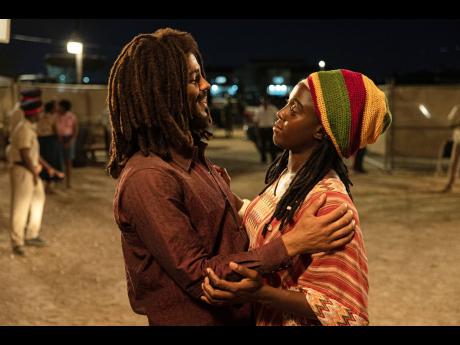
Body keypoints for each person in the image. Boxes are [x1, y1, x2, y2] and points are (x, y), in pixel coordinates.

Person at [107, 28, 355, 326]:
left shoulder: (194, 161)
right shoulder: (148, 177)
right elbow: (202, 277)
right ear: (162, 92)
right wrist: (292, 243)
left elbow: (240, 219)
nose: (206, 85)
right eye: (192, 79)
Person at [201, 69, 392, 326]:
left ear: (321, 131)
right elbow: (266, 225)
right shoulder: (287, 180)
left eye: (295, 109)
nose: (281, 114)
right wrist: (221, 191)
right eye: (286, 104)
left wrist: (262, 294)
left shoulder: (329, 204)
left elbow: (347, 313)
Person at [9, 98, 64, 256]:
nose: (41, 114)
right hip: (23, 171)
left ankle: (32, 235)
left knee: (38, 200)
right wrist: (34, 172)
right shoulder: (24, 129)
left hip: (30, 170)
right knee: (20, 207)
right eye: (39, 111)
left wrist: (48, 169)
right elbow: (25, 153)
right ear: (33, 113)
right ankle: (17, 242)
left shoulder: (29, 127)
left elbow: (34, 154)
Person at [37, 100, 64, 193]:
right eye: (55, 106)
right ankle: (49, 186)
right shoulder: (53, 117)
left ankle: (42, 184)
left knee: (42, 161)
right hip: (50, 141)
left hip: (40, 141)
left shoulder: (40, 116)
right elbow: (56, 130)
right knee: (52, 161)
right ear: (52, 108)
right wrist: (60, 140)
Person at [56, 99, 78, 188]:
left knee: (68, 161)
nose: (58, 108)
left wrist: (71, 141)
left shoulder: (72, 116)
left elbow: (75, 130)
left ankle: (68, 182)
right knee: (58, 160)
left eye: (60, 106)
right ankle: (59, 181)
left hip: (68, 139)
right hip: (59, 139)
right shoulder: (56, 116)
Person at [253, 96, 279, 163]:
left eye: (266, 101)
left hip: (271, 129)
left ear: (268, 101)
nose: (264, 102)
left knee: (272, 145)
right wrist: (256, 130)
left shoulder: (273, 109)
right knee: (262, 145)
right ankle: (263, 159)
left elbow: (277, 118)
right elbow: (256, 121)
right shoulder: (258, 110)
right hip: (262, 129)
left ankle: (273, 159)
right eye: (263, 101)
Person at [442, 105, 460, 192]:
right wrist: (455, 124)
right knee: (454, 162)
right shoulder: (457, 109)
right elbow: (450, 122)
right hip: (458, 139)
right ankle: (450, 184)